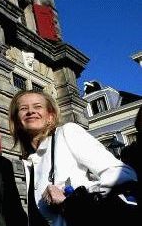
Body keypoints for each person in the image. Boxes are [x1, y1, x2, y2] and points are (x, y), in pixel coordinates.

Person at [8, 90, 138, 226]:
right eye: (23, 108)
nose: (30, 111)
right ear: (17, 120)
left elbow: (123, 173)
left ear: (50, 117)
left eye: (38, 106)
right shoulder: (28, 162)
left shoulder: (67, 133)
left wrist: (72, 194)